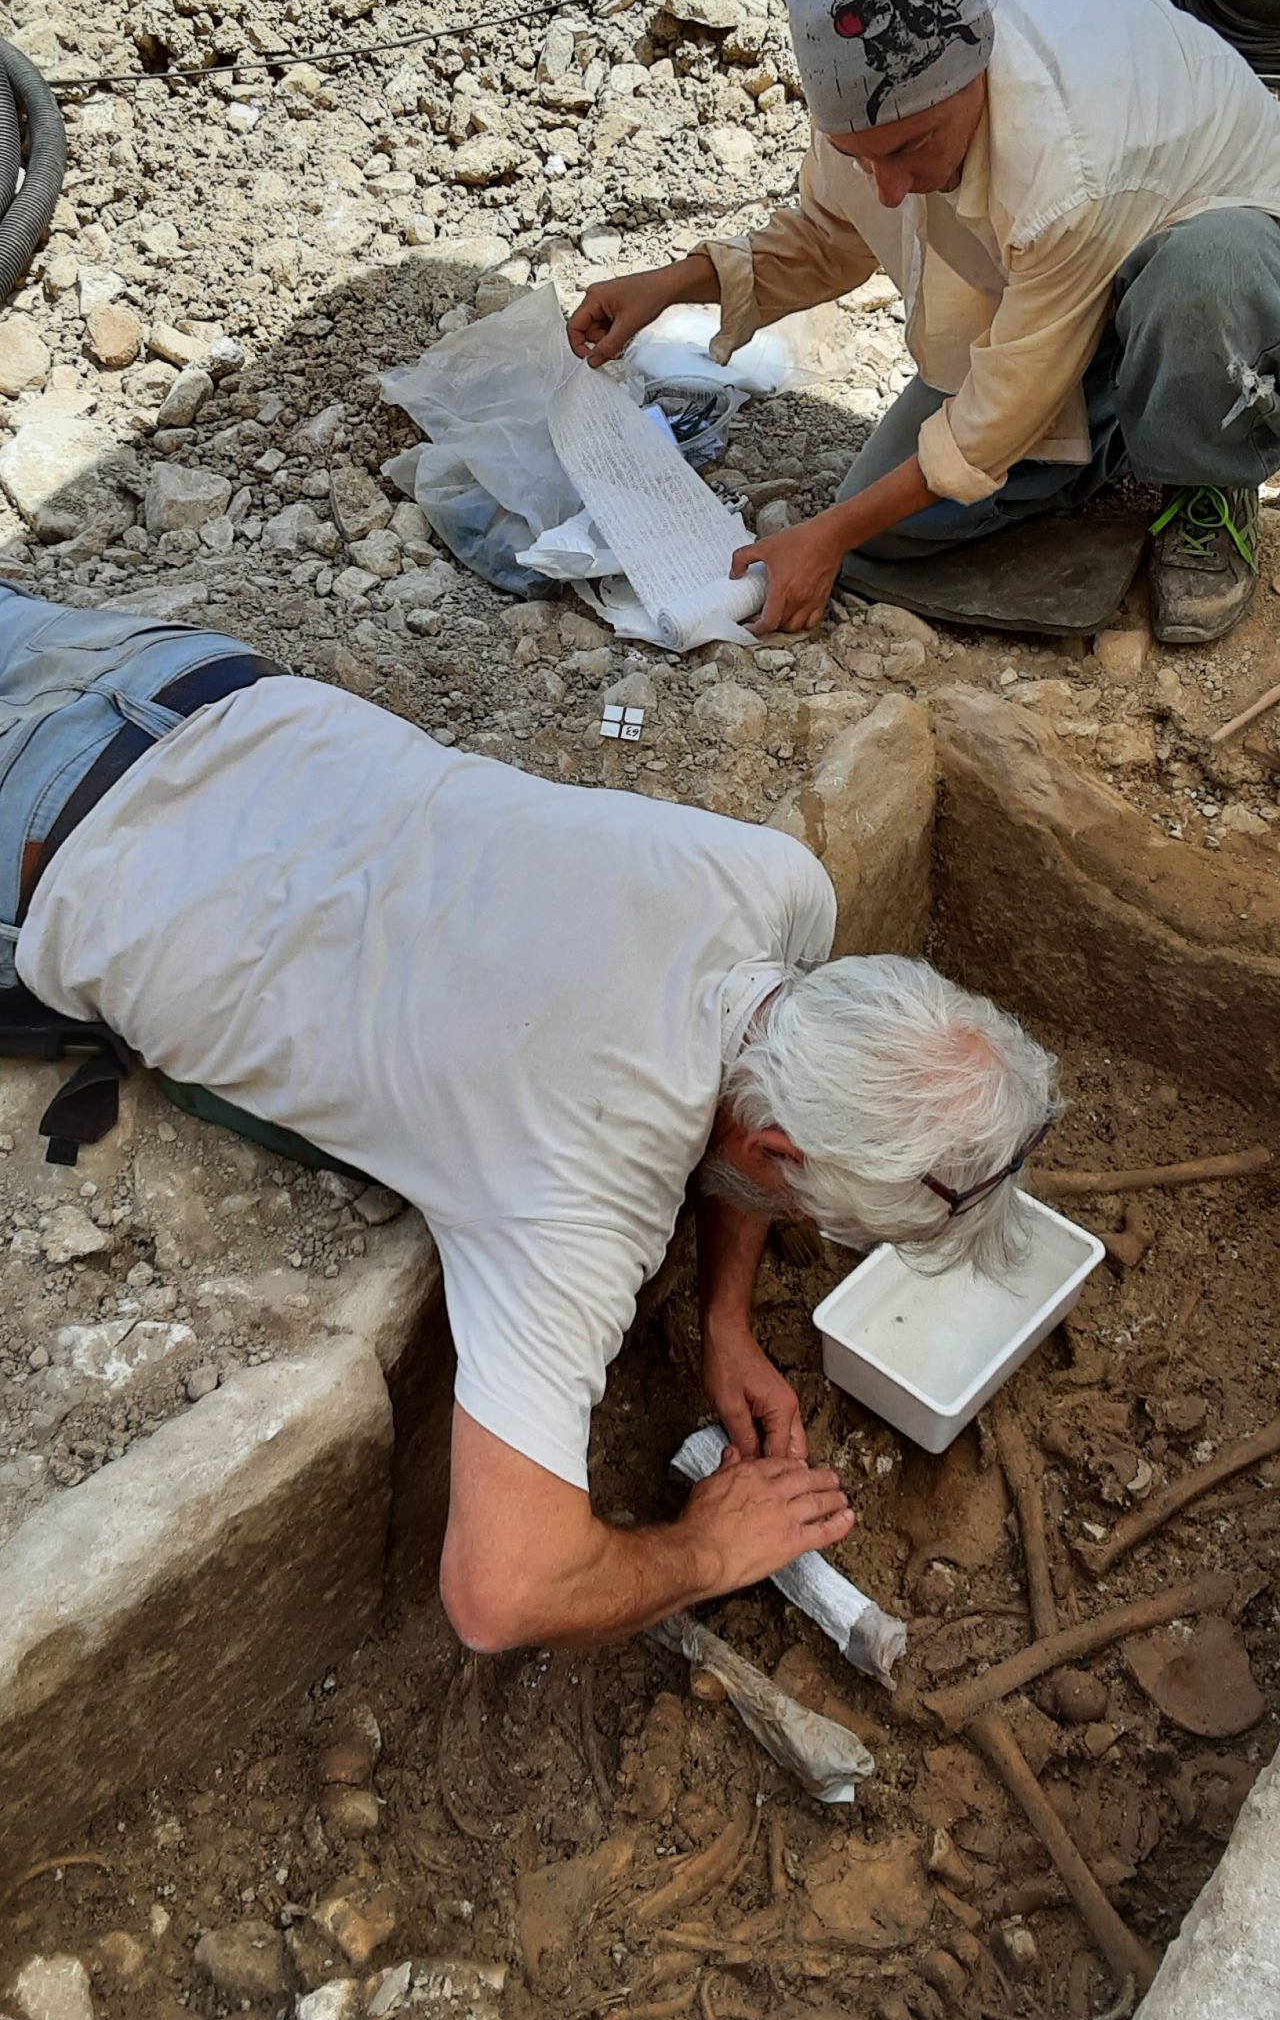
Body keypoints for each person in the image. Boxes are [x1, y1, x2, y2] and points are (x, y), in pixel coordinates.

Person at [1, 584, 1058, 1651]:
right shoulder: (578, 1211)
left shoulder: (776, 887)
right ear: (776, 1152)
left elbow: (758, 1091)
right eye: (817, 1216)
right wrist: (707, 1549)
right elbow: (501, 1595)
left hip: (193, 684)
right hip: (46, 845)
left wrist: (723, 1316)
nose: (802, 1222)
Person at [570, 0, 1280, 647]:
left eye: (908, 149)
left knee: (1208, 275)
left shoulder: (1066, 162)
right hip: (1067, 281)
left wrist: (826, 536)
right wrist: (673, 284)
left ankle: (1207, 472)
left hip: (1228, 268)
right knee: (888, 534)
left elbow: (988, 426)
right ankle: (1125, 427)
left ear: (974, 74)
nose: (887, 188)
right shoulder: (867, 102)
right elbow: (827, 237)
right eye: (859, 155)